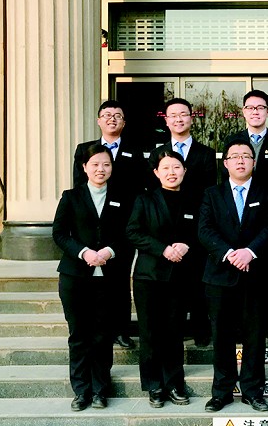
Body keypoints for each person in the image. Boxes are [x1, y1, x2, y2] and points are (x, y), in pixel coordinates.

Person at [198, 138, 268, 413]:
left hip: (256, 275)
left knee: (254, 336)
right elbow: (204, 230)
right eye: (235, 156)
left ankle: (253, 391)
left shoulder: (267, 192)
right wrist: (230, 253)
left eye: (246, 156)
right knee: (221, 336)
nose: (241, 160)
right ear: (226, 163)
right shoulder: (212, 194)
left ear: (254, 162)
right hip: (220, 276)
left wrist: (250, 252)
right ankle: (221, 392)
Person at [52, 144, 130, 411]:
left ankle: (100, 390)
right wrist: (84, 252)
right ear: (84, 167)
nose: (101, 169)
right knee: (79, 334)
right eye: (95, 164)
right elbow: (59, 234)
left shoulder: (122, 197)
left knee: (102, 335)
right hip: (75, 276)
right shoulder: (71, 197)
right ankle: (81, 391)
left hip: (108, 277)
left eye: (106, 164)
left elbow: (128, 233)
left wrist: (109, 251)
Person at [126, 150, 198, 408]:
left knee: (174, 331)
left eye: (176, 167)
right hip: (149, 276)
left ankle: (175, 383)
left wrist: (187, 245)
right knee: (150, 332)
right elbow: (133, 232)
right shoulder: (145, 200)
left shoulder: (194, 200)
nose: (171, 172)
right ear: (156, 172)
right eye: (165, 168)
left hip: (180, 276)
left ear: (184, 170)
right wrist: (163, 249)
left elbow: (201, 231)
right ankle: (154, 384)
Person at [73, 100, 146, 350]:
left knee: (120, 280)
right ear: (98, 121)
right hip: (92, 225)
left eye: (117, 115)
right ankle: (96, 327)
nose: (112, 119)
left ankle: (121, 330)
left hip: (123, 225)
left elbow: (141, 186)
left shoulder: (136, 150)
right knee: (92, 281)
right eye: (106, 115)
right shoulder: (85, 149)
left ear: (124, 122)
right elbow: (78, 186)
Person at [222, 89, 268, 345]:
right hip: (240, 219)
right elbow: (226, 179)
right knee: (242, 274)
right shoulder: (233, 140)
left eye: (260, 107)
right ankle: (241, 325)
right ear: (243, 111)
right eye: (250, 107)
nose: (255, 112)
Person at [149, 97, 216, 346]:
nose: (179, 119)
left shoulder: (206, 153)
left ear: (191, 118)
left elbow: (209, 191)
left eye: (183, 114)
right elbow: (152, 191)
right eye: (173, 115)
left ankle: (200, 329)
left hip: (195, 221)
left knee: (197, 278)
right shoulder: (156, 154)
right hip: (164, 226)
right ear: (166, 120)